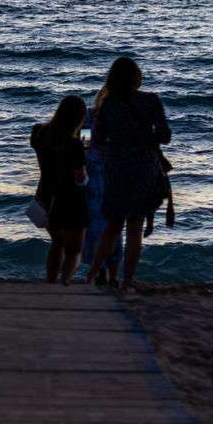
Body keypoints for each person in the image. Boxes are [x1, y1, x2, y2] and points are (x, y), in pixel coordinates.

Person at [84, 57, 171, 293]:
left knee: (112, 226)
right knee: (135, 229)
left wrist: (120, 139)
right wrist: (143, 139)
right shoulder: (151, 101)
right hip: (144, 169)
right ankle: (127, 283)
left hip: (117, 169)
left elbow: (100, 139)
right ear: (137, 78)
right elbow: (164, 136)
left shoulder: (108, 105)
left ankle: (91, 276)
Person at [30, 94, 89, 286]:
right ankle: (64, 283)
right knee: (74, 249)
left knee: (57, 242)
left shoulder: (38, 133)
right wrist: (84, 148)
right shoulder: (75, 145)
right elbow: (80, 177)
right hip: (71, 199)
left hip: (45, 195)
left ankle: (51, 281)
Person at [82, 87, 122, 287]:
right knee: (114, 225)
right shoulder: (120, 118)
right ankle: (113, 274)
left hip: (93, 174)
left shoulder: (89, 116)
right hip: (114, 172)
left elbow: (84, 146)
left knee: (97, 225)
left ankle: (101, 272)